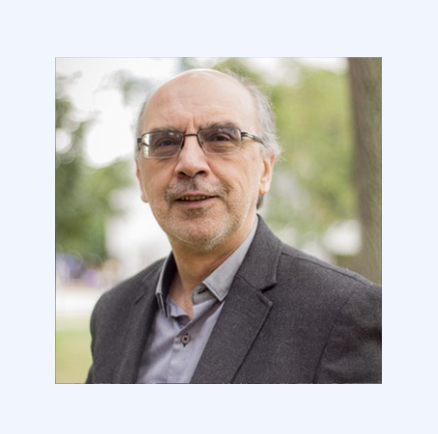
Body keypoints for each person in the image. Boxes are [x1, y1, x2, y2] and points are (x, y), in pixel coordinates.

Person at [85, 69, 382, 384]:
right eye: (165, 142)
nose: (190, 163)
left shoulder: (344, 314)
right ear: (140, 177)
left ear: (265, 171)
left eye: (220, 138)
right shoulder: (113, 312)